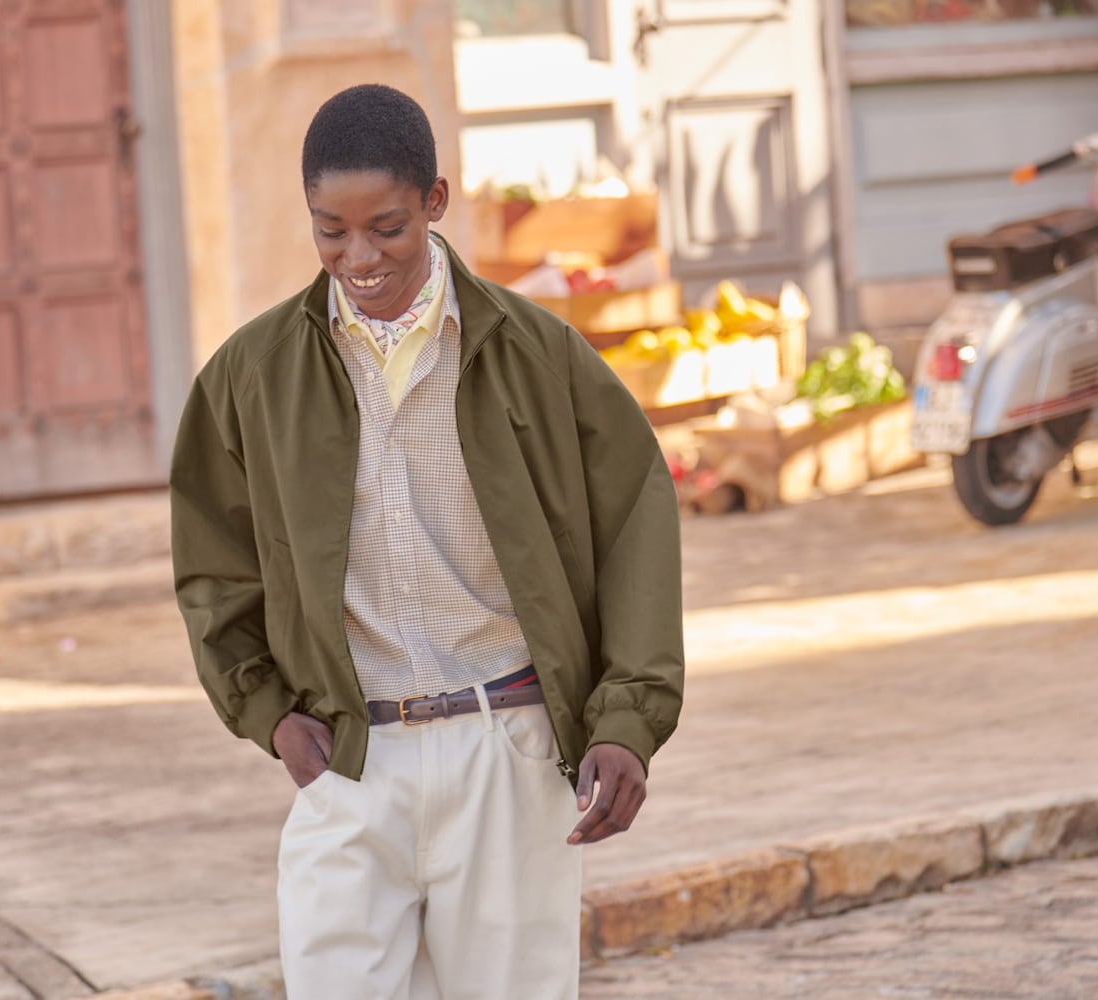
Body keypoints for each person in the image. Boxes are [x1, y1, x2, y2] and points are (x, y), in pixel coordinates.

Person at [169, 83, 684, 1000]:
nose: (359, 258)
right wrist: (267, 711)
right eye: (331, 231)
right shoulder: (253, 375)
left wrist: (628, 722)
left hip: (509, 750)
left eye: (387, 228)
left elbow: (635, 528)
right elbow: (215, 561)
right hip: (349, 757)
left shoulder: (540, 355)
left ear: (435, 201)